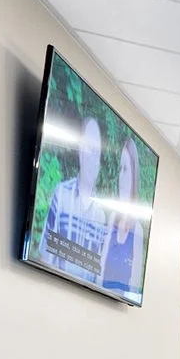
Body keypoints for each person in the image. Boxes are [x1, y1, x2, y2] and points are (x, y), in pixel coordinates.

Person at [35, 110, 111, 283]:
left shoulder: (101, 215)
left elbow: (96, 277)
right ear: (80, 151)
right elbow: (45, 256)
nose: (91, 156)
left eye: (96, 152)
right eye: (88, 148)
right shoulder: (61, 193)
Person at [98, 137, 145, 297]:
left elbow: (134, 288)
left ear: (133, 177)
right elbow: (100, 269)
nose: (120, 176)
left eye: (125, 169)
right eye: (119, 169)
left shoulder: (137, 231)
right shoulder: (112, 219)